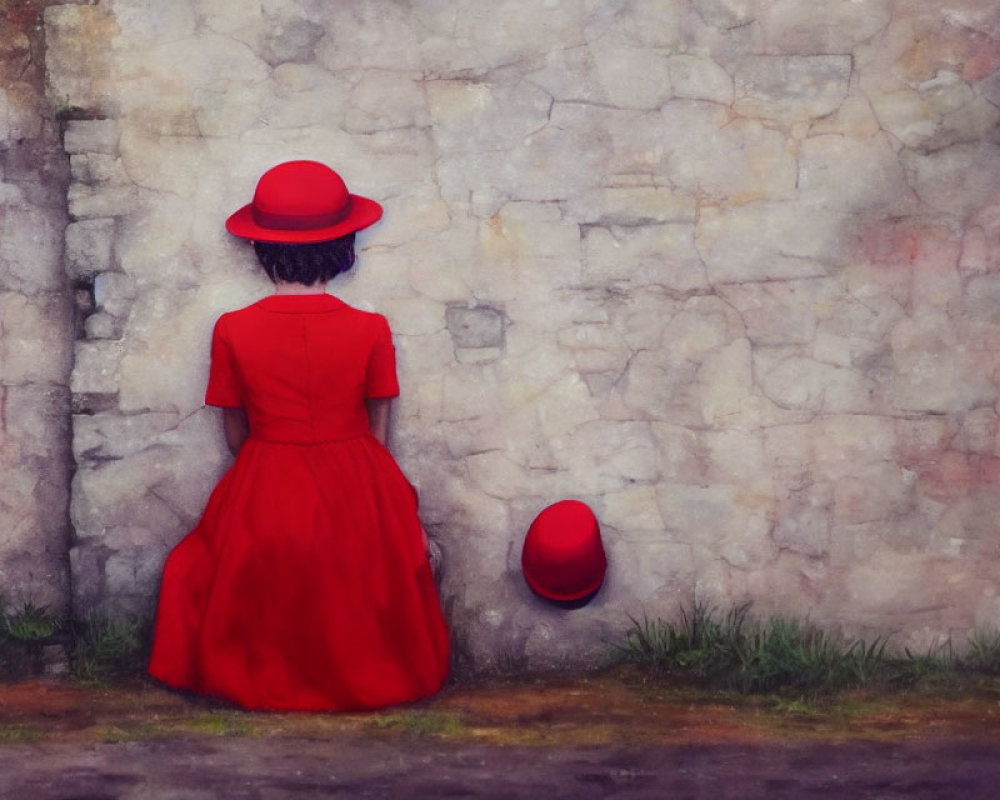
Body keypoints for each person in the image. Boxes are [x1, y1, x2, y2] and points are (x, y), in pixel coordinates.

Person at [148, 160, 450, 711]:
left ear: (263, 250)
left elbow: (234, 430)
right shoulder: (371, 328)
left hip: (268, 473)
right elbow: (379, 428)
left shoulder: (232, 328)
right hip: (359, 474)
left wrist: (274, 460)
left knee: (208, 569)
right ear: (344, 246)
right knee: (354, 583)